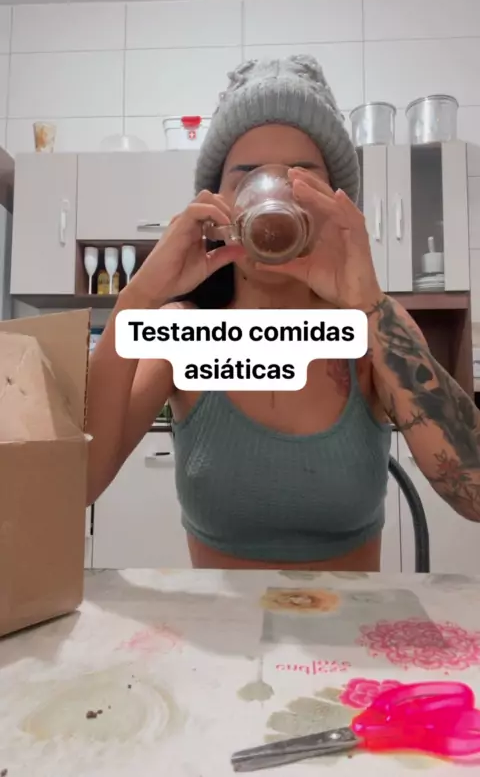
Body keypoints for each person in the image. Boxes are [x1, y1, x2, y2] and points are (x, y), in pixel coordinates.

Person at [87, 55, 480, 572]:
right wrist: (137, 298)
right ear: (215, 206)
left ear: (335, 203)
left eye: (299, 179)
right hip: (219, 625)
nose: (271, 197)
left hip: (355, 624)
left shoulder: (374, 330)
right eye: (247, 177)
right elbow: (77, 486)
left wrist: (369, 305)